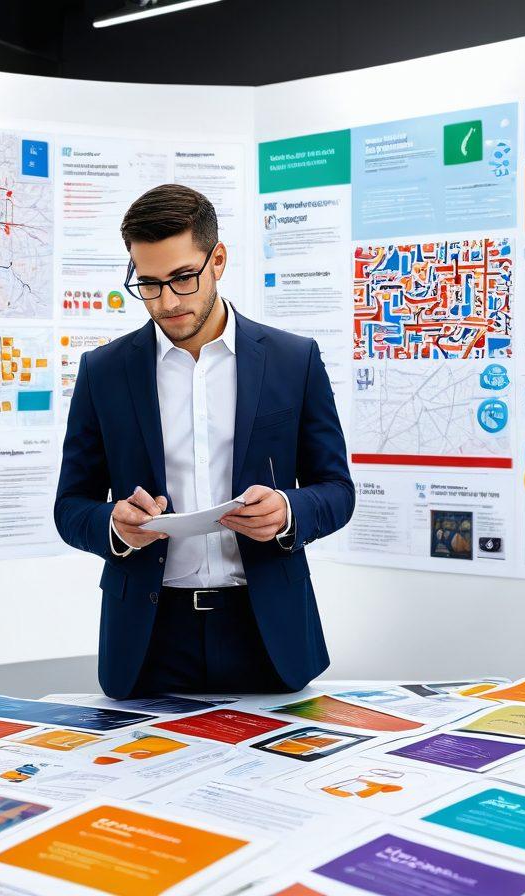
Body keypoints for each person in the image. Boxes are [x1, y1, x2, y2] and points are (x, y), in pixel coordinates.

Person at [54, 183, 355, 699]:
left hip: (266, 633)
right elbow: (70, 507)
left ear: (217, 260)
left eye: (182, 278)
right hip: (148, 639)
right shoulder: (103, 372)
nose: (166, 301)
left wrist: (287, 512)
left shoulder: (292, 360)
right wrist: (114, 526)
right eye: (147, 283)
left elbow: (337, 491)